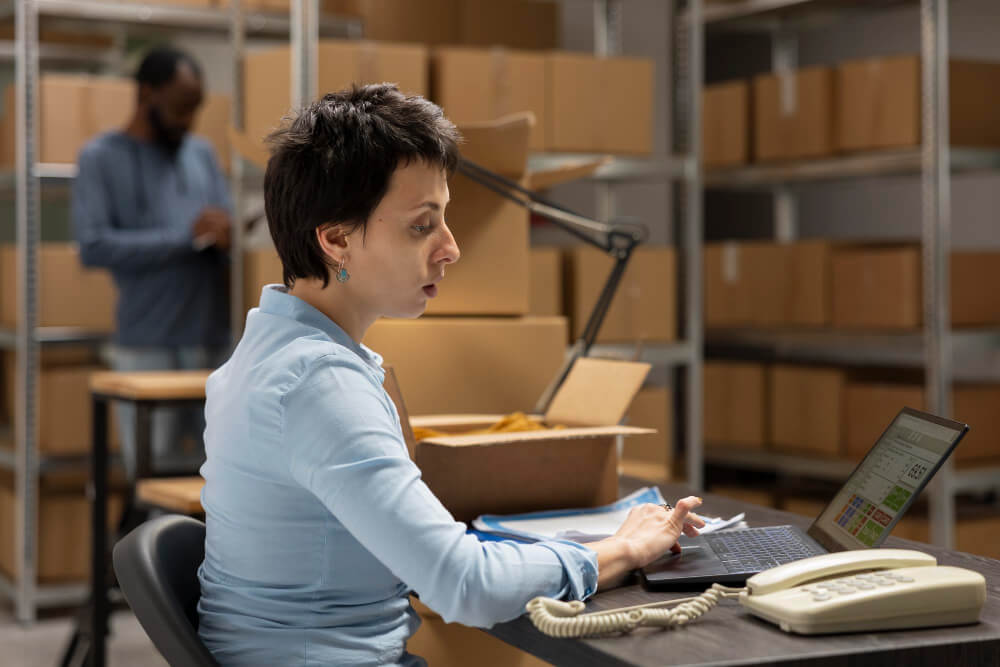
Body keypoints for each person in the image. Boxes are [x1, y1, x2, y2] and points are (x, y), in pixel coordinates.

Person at [196, 83, 704, 666]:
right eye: (421, 226)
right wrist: (621, 551)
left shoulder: (269, 352)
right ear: (337, 240)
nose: (451, 248)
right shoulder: (317, 383)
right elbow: (466, 585)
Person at [71, 46, 232, 480]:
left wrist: (227, 233)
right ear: (146, 94)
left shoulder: (200, 154)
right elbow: (94, 246)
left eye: (195, 109)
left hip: (213, 342)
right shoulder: (100, 157)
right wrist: (186, 239)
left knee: (224, 476)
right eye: (180, 107)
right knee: (152, 479)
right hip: (148, 344)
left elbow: (225, 221)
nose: (188, 120)